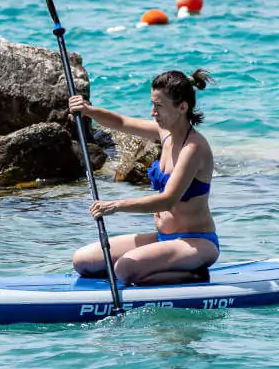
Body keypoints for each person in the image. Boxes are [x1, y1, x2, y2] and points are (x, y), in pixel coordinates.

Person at [68, 69, 219, 285]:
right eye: (152, 104)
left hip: (196, 243)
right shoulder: (164, 134)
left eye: (159, 106)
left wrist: (115, 206)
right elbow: (120, 122)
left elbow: (168, 200)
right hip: (162, 238)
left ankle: (194, 274)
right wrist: (87, 110)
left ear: (182, 107)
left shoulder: (193, 148)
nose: (152, 112)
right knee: (83, 261)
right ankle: (151, 268)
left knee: (124, 269)